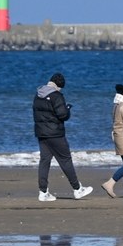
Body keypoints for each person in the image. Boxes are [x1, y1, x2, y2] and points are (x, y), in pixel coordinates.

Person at [32, 73, 92, 202]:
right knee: (65, 160)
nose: (60, 90)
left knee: (44, 161)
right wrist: (68, 108)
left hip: (41, 133)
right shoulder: (56, 96)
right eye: (60, 88)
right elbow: (63, 115)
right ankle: (77, 189)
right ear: (58, 86)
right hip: (55, 134)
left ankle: (43, 192)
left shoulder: (38, 94)